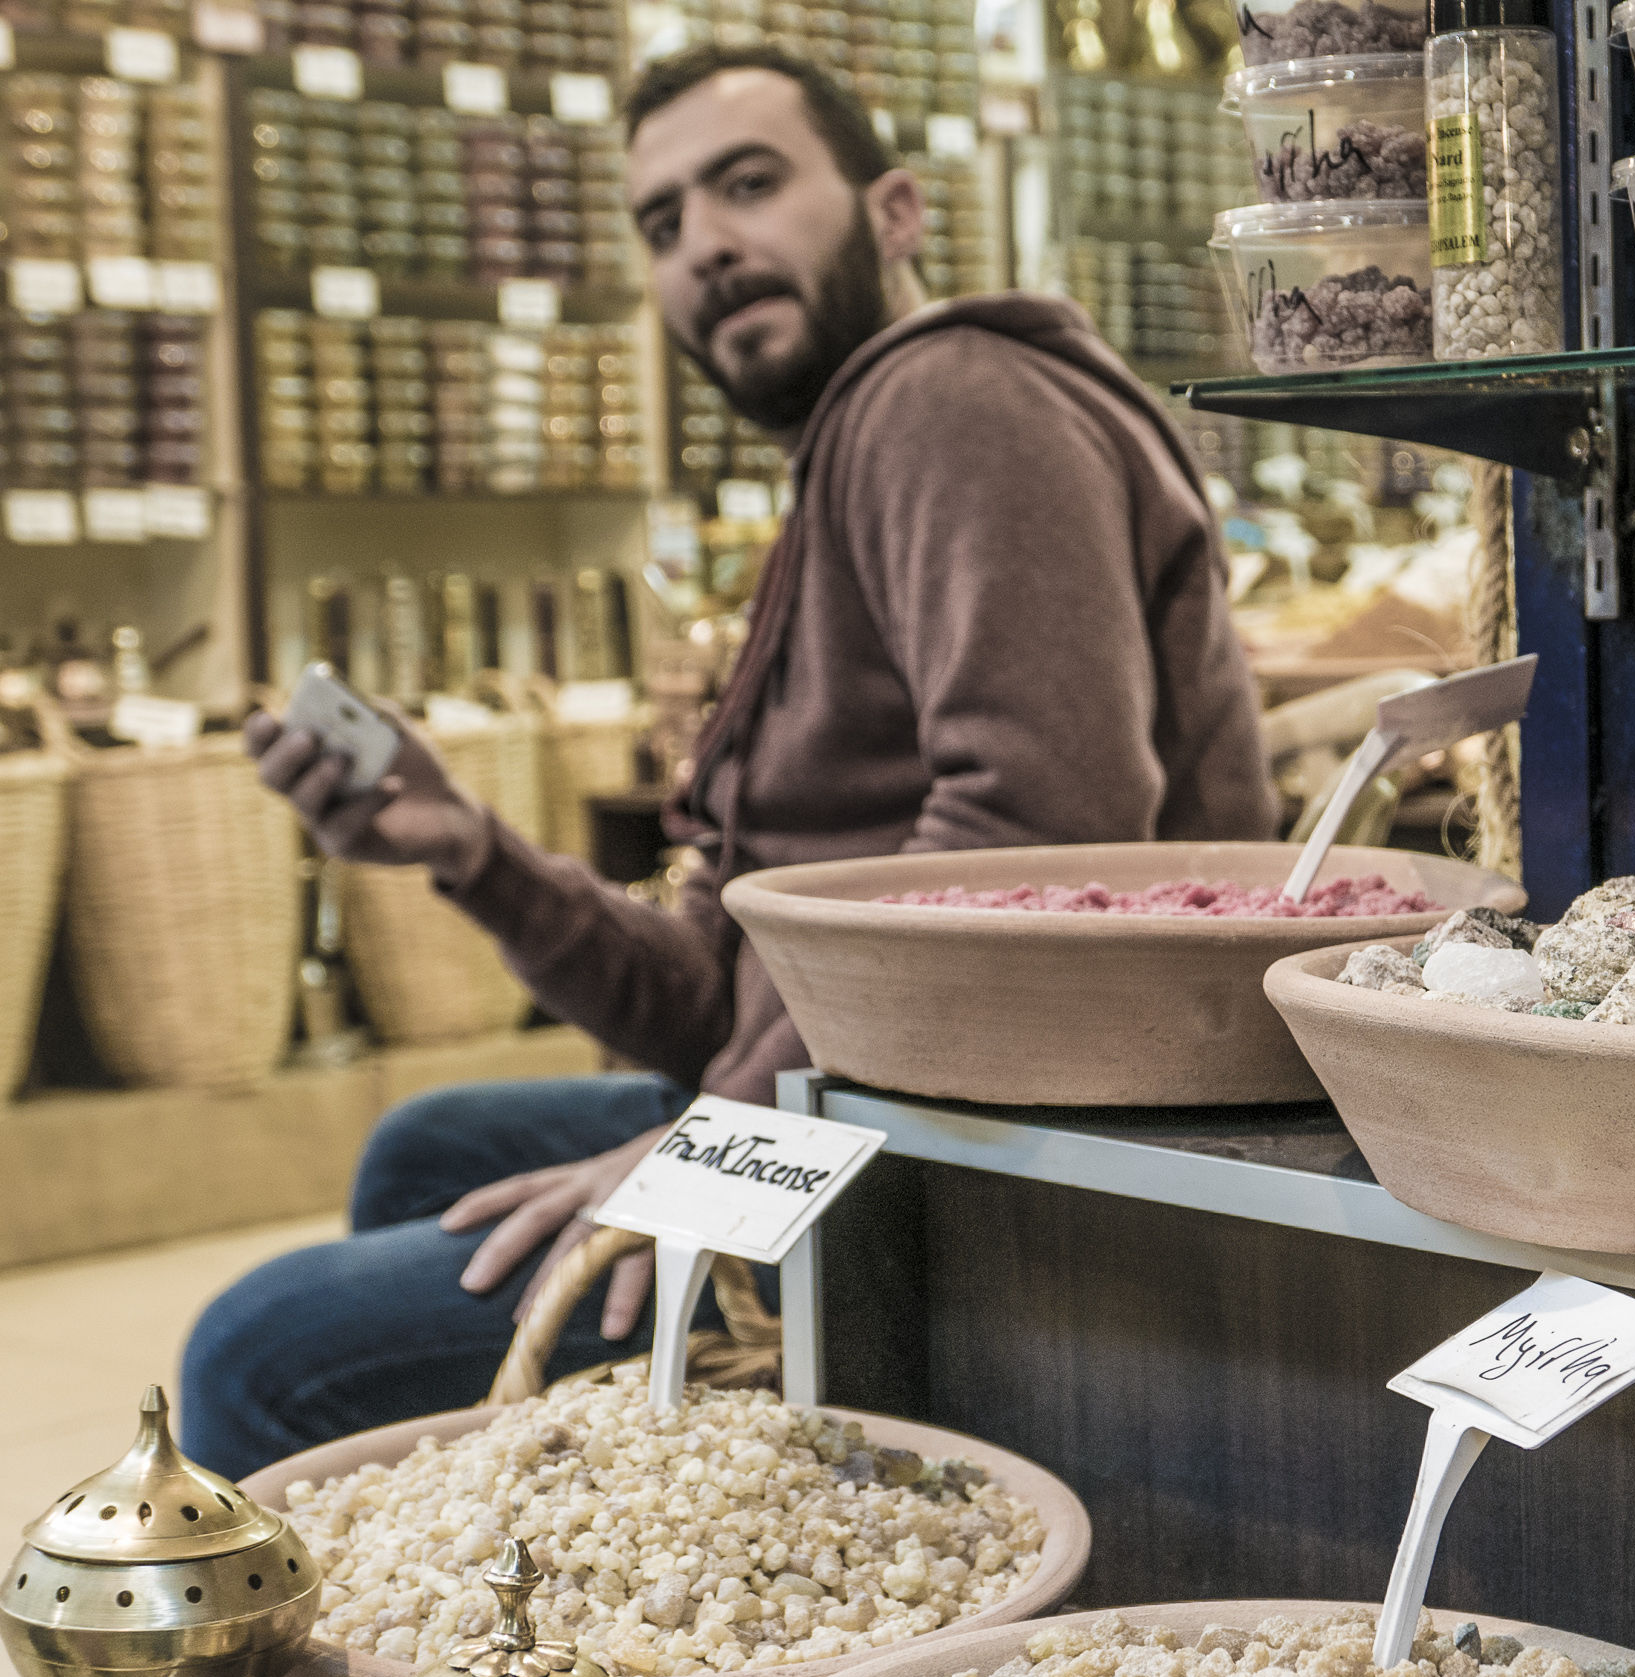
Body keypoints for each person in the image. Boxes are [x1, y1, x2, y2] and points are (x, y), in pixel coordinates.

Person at [179, 45, 1278, 1478]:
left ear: (894, 211)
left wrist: (717, 1150)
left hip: (983, 1165)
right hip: (865, 1096)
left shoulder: (951, 402)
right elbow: (721, 995)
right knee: (425, 1150)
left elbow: (1043, 837)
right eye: (662, 221)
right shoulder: (847, 462)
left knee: (253, 1354)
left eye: (749, 184)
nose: (706, 243)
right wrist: (470, 851)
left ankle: (466, 1650)